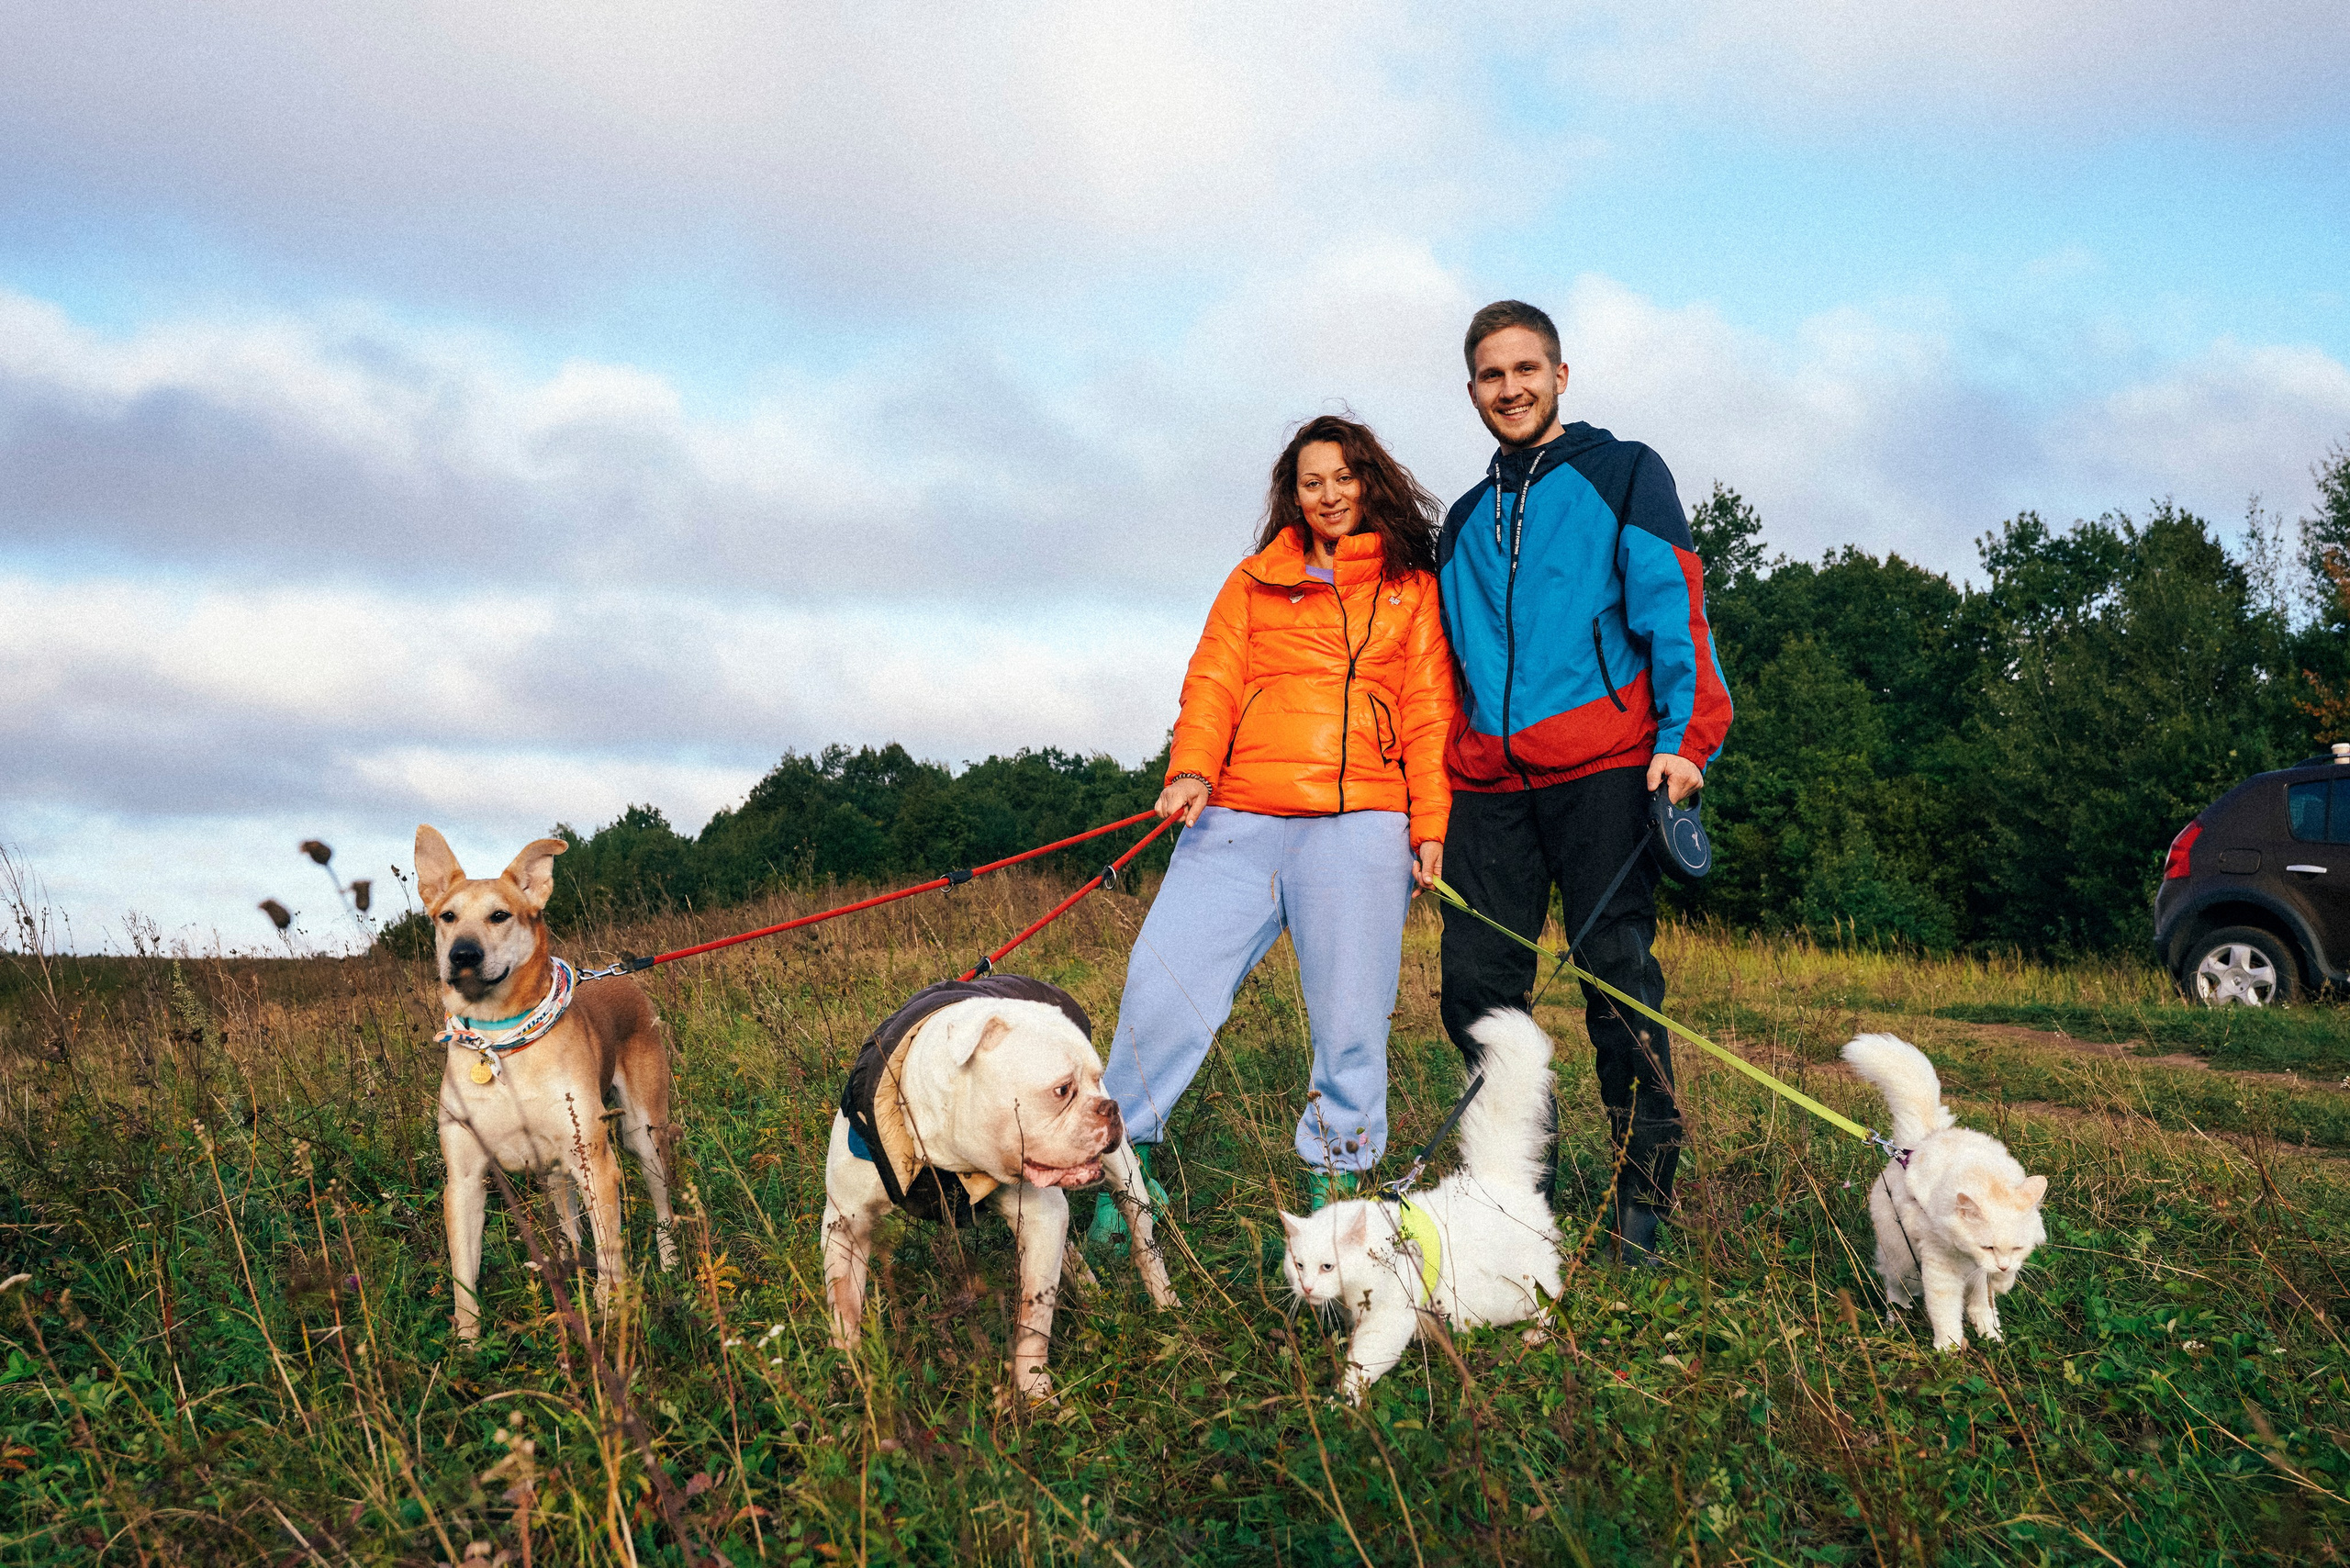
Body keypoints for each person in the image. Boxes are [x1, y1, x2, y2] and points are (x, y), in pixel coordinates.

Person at [1090, 414, 1456, 1244]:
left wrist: (1430, 822)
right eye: (1311, 482)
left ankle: (1338, 1186)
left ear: (1370, 482)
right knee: (1161, 987)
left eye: (1343, 478)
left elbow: (1430, 713)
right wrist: (1191, 768)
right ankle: (1125, 1172)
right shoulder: (1254, 581)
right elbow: (1213, 681)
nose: (1329, 495)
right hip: (1238, 814)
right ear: (1292, 495)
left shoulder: (1411, 589)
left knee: (1352, 1018)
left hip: (1362, 820)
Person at [1436, 300, 1732, 1266]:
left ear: (1560, 376)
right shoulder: (1462, 522)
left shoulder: (1625, 472)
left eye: (1526, 369)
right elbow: (1443, 669)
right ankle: (1520, 1184)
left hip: (1606, 767)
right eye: (1491, 374)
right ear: (1472, 390)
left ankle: (1640, 1199)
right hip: (1487, 786)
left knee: (1615, 975)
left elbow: (1675, 609)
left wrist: (1687, 739)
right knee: (1477, 988)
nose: (1510, 388)